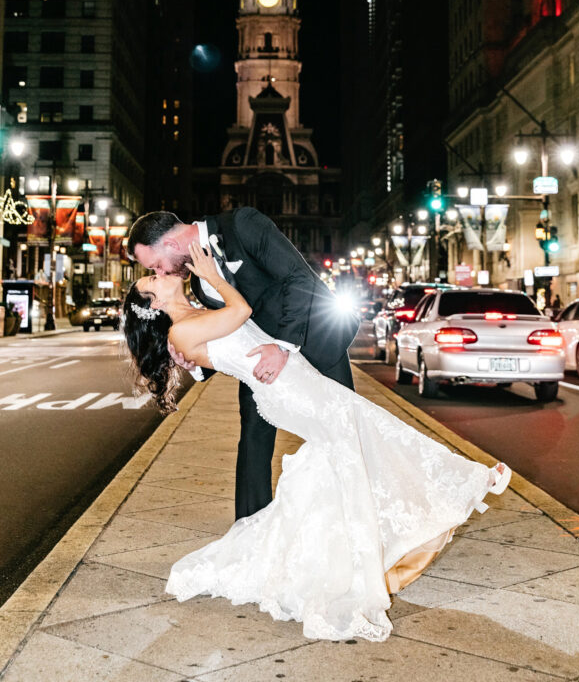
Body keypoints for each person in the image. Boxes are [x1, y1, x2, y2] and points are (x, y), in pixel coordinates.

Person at [121, 243, 511, 643]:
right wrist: (213, 276)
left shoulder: (194, 318)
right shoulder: (182, 330)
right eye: (152, 278)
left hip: (297, 379)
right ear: (152, 303)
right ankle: (461, 482)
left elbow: (236, 330)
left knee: (351, 445)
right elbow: (241, 314)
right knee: (363, 435)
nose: (160, 273)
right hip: (288, 392)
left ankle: (342, 552)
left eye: (154, 270)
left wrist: (210, 292)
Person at [126, 207, 358, 519]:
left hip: (315, 339)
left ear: (171, 244)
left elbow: (297, 277)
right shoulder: (197, 283)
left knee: (344, 432)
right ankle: (251, 527)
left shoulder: (243, 224)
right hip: (259, 368)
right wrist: (195, 362)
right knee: (253, 439)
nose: (163, 273)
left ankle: (355, 515)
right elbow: (231, 333)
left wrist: (282, 345)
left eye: (157, 265)